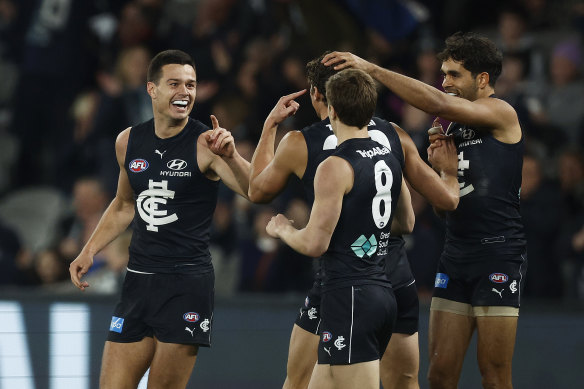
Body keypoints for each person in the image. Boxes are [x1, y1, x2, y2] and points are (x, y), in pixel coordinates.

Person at [322, 31, 527, 389]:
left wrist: (371, 69)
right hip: (456, 253)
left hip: (498, 254)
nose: (444, 82)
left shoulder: (500, 112)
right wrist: (443, 172)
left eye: (453, 75)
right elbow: (445, 205)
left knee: (494, 376)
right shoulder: (456, 128)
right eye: (443, 74)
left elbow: (437, 103)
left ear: (482, 80)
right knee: (439, 376)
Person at [249, 52, 459, 389]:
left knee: (298, 381)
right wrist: (448, 171)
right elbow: (416, 216)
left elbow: (257, 190)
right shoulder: (393, 137)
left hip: (345, 280)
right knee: (404, 382)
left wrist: (270, 126)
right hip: (393, 275)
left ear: (321, 96)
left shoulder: (303, 143)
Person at [69, 49, 250, 389]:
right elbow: (124, 204)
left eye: (191, 85)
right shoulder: (128, 140)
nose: (185, 92)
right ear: (152, 89)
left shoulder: (206, 143)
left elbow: (258, 191)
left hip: (186, 286)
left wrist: (234, 157)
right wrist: (90, 249)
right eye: (175, 83)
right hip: (138, 283)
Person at [266, 68, 412, 389]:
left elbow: (315, 244)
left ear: (331, 109)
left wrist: (283, 230)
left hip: (351, 297)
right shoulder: (389, 154)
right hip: (377, 291)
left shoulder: (333, 165)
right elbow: (407, 222)